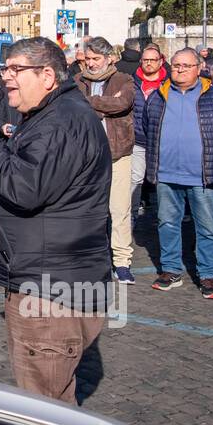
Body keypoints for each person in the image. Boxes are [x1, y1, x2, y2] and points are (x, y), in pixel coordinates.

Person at [0, 37, 111, 404]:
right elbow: (31, 175)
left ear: (47, 75)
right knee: (48, 399)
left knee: (44, 409)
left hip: (50, 287)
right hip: (46, 277)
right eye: (5, 68)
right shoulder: (48, 115)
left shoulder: (60, 121)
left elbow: (24, 189)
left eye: (16, 69)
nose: (5, 78)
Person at [141, 48, 213, 298]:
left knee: (207, 226)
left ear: (199, 68)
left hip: (204, 173)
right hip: (166, 173)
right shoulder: (158, 96)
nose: (180, 69)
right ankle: (171, 270)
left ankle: (208, 275)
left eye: (186, 65)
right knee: (167, 223)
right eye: (176, 65)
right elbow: (147, 127)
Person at [73, 37, 137, 282]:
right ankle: (89, 257)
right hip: (85, 156)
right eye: (88, 59)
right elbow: (73, 108)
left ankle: (122, 261)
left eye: (96, 59)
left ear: (109, 58)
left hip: (118, 153)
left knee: (119, 209)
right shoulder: (77, 81)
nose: (90, 63)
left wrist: (90, 104)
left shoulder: (124, 80)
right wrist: (103, 105)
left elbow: (122, 102)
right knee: (87, 209)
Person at [131, 45, 166, 217]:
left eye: (153, 60)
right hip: (137, 140)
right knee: (135, 179)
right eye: (146, 60)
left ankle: (165, 218)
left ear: (160, 62)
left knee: (164, 182)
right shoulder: (130, 82)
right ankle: (131, 215)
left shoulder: (169, 83)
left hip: (162, 141)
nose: (149, 63)